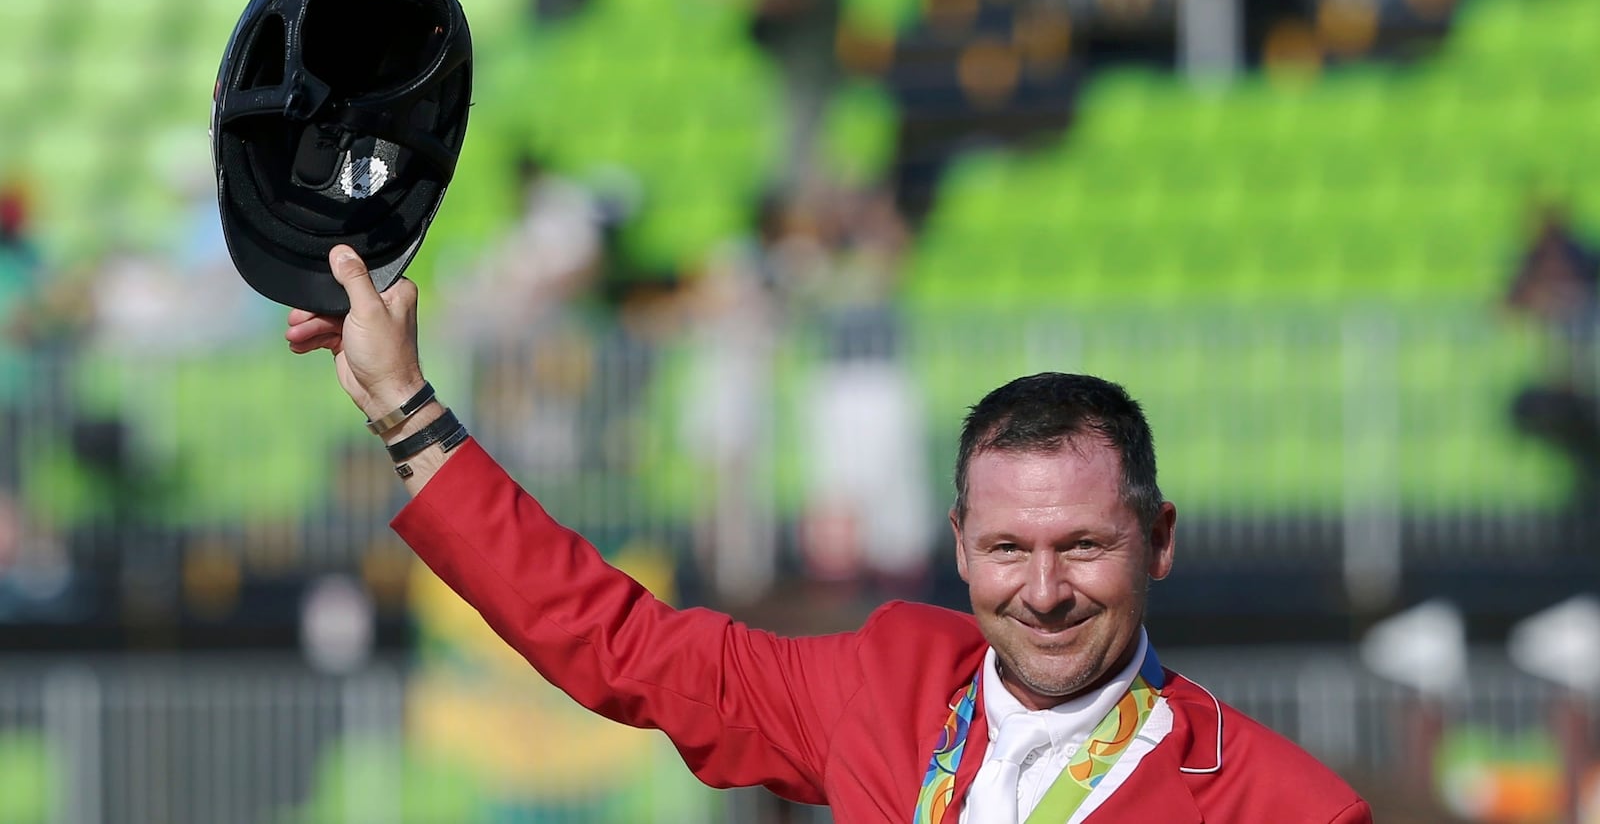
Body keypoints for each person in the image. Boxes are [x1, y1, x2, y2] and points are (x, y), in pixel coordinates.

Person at [286, 245, 1372, 823]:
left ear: (1157, 539)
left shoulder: (1283, 809)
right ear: (957, 544)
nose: (1042, 589)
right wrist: (402, 407)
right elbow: (609, 641)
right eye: (1006, 549)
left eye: (1082, 545)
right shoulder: (881, 692)